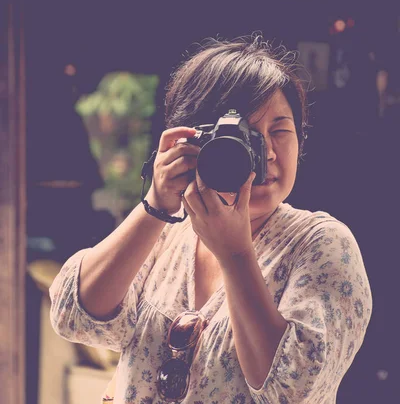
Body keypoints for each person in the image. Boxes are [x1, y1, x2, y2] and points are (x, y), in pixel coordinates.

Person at [49, 35, 372, 404]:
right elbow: (75, 317)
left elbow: (291, 390)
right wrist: (156, 205)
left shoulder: (322, 245)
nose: (265, 152)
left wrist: (236, 254)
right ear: (194, 141)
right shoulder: (169, 233)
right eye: (245, 136)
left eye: (280, 131)